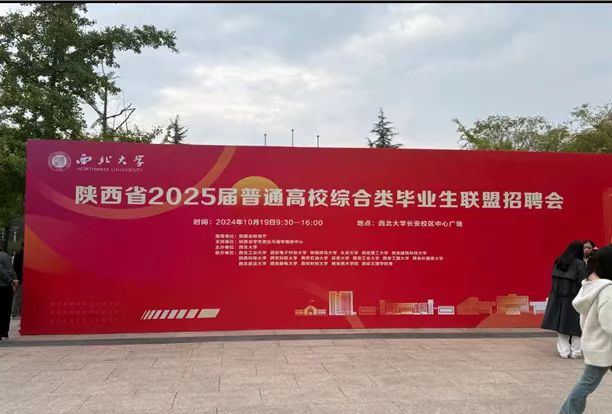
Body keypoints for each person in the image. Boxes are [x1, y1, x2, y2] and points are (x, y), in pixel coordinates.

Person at [559, 245, 612, 414]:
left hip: (596, 344)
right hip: (603, 347)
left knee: (585, 384)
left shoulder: (591, 286)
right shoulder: (608, 290)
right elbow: (609, 323)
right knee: (585, 385)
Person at [542, 240, 588, 358]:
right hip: (573, 298)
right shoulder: (580, 264)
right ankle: (576, 352)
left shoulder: (558, 261)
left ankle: (564, 352)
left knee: (561, 326)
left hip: (557, 298)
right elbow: (583, 282)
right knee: (576, 326)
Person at [0, 244, 19, 341]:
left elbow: (1, 271)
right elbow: (12, 270)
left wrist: (10, 280)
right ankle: (4, 333)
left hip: (2, 285)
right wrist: (14, 280)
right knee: (6, 310)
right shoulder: (7, 256)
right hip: (7, 287)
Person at [12, 243, 23, 318]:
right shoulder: (20, 255)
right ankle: (15, 313)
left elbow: (14, 267)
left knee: (18, 296)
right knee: (18, 296)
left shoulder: (18, 255)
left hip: (18, 278)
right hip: (19, 279)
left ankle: (16, 312)